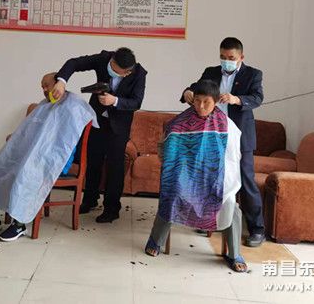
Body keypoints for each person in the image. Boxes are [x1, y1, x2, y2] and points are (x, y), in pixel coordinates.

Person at [0, 73, 97, 241]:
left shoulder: (73, 106)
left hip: (57, 158)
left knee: (25, 172)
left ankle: (19, 224)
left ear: (58, 84)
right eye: (42, 86)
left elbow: (63, 142)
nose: (44, 89)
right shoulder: (45, 105)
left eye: (46, 85)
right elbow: (29, 132)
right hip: (36, 153)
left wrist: (39, 153)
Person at [145, 80, 247, 272]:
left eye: (206, 102)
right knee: (172, 193)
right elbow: (165, 150)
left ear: (216, 102)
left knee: (230, 202)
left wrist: (220, 178)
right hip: (184, 176)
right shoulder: (179, 122)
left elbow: (233, 157)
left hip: (216, 177)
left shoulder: (227, 125)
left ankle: (234, 254)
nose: (200, 106)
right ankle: (155, 240)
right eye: (197, 101)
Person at [181, 37, 265, 247]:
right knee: (211, 178)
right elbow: (195, 88)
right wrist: (187, 92)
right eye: (222, 57)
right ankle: (208, 221)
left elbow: (257, 98)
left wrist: (237, 99)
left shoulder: (253, 74)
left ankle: (257, 229)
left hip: (240, 136)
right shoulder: (211, 72)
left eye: (231, 57)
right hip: (213, 134)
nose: (226, 61)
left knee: (246, 180)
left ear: (241, 57)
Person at [51, 47, 147, 223]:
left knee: (115, 167)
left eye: (121, 72)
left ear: (129, 71)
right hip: (96, 120)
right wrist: (61, 81)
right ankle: (89, 200)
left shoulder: (139, 74)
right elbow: (74, 63)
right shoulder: (104, 59)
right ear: (112, 60)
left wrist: (115, 101)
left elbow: (136, 102)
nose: (115, 72)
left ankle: (112, 208)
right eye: (114, 68)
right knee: (92, 161)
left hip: (118, 127)